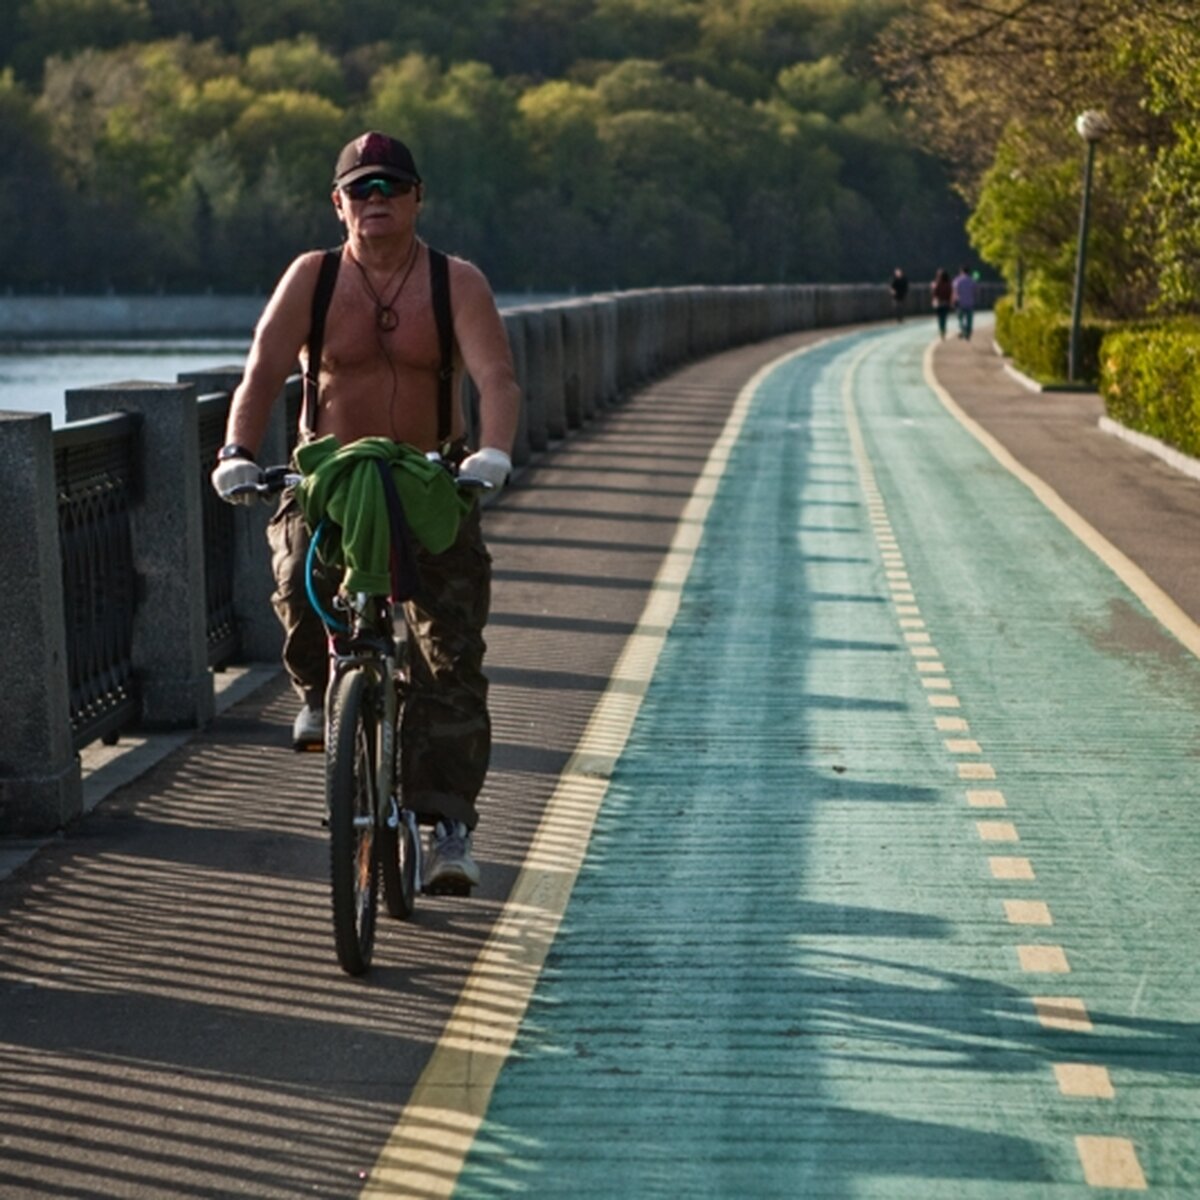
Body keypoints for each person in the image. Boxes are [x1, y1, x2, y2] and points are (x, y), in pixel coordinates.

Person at [210, 131, 521, 893]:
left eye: (390, 187)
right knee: (293, 570)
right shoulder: (311, 280)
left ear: (417, 198)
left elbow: (498, 379)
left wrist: (494, 453)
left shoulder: (457, 283)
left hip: (427, 479)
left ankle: (446, 825)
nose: (374, 200)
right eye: (360, 189)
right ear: (337, 203)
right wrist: (235, 452)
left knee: (449, 651)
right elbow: (261, 372)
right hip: (331, 479)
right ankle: (322, 694)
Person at [952, 264, 977, 340]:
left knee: (960, 319)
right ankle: (968, 333)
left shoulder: (957, 280)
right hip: (970, 302)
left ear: (961, 271)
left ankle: (963, 330)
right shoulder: (972, 280)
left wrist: (953, 301)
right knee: (969, 319)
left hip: (960, 303)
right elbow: (975, 291)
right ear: (968, 272)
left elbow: (955, 292)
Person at [930, 268, 953, 339]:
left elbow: (934, 294)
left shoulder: (936, 283)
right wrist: (950, 302)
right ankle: (944, 330)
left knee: (940, 318)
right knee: (944, 318)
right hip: (946, 303)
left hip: (939, 303)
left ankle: (941, 330)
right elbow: (950, 293)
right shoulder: (949, 284)